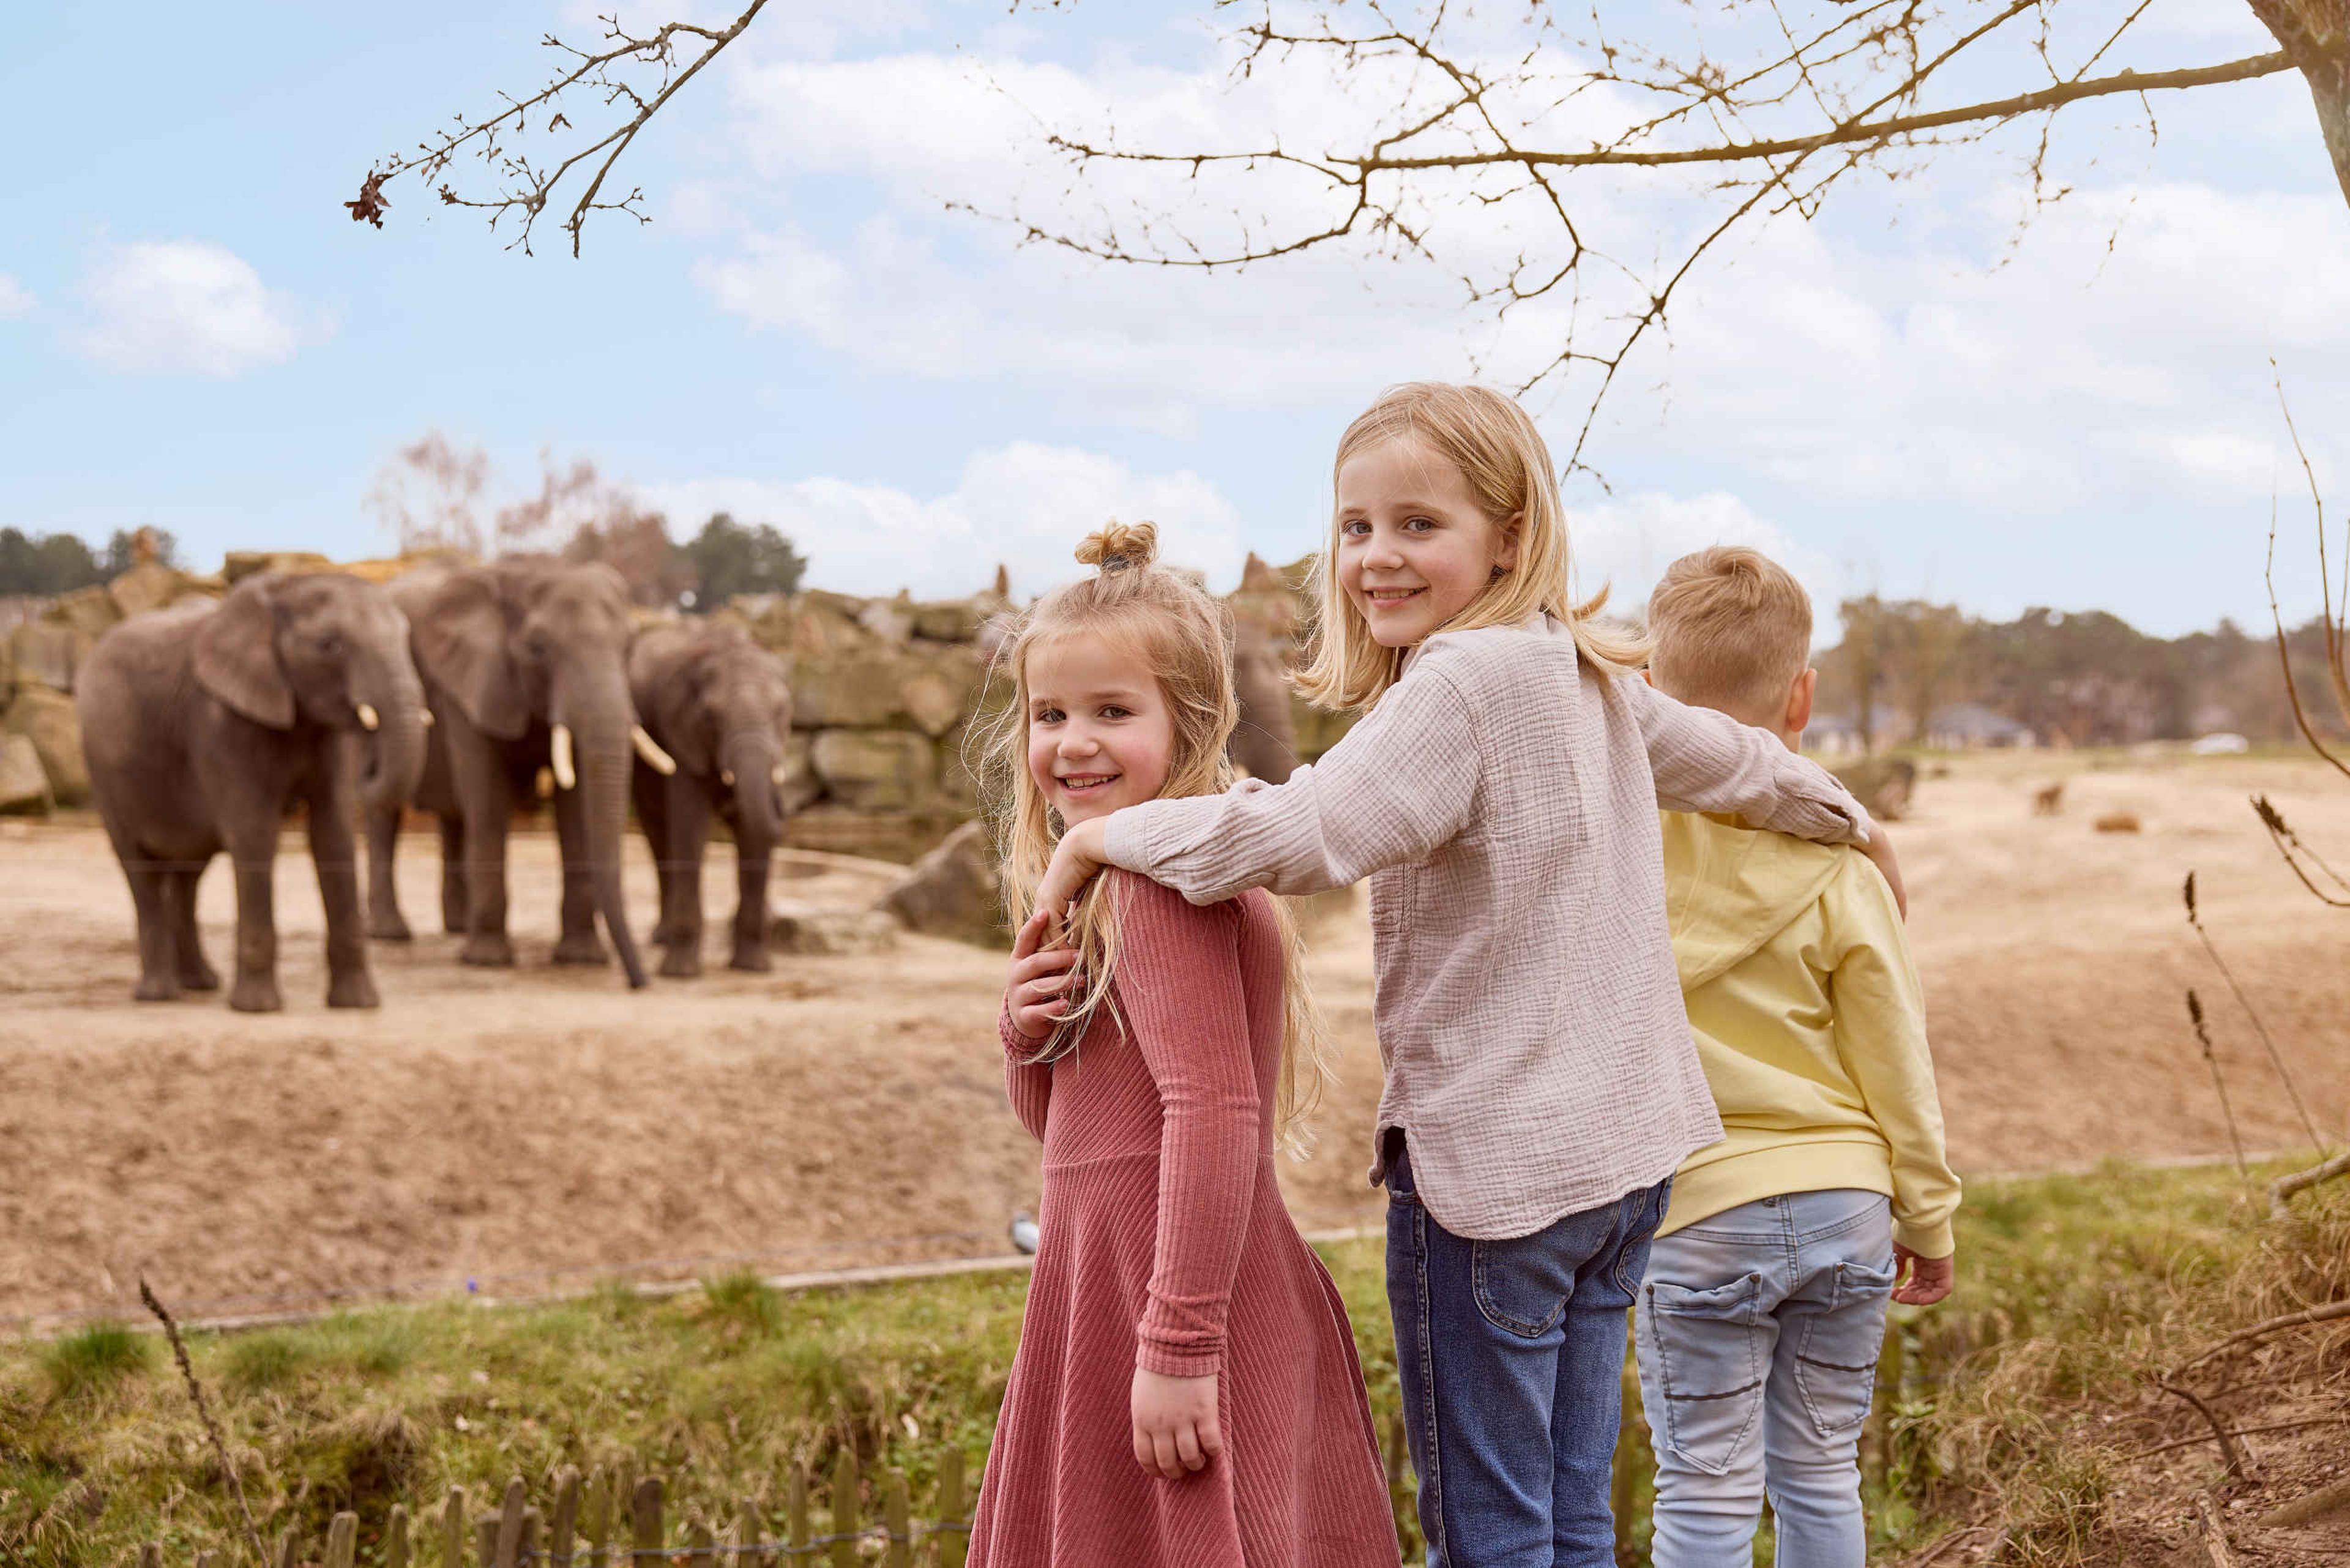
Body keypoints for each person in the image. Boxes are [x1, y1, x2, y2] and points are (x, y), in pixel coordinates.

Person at [1031, 383, 1904, 1567]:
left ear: (1509, 534)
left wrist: (1101, 837)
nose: (1376, 557)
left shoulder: (1458, 687)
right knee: (1571, 1513)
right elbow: (1734, 763)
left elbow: (1303, 839)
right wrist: (1849, 817)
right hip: (1620, 1175)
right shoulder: (1576, 669)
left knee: (1490, 1535)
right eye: (1355, 527)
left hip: (1496, 1188)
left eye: (1416, 526)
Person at [969, 522, 1401, 1568]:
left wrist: (1176, 1345)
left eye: (1114, 712)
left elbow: (1214, 1112)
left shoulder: (1157, 886)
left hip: (1173, 1294)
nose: (1074, 742)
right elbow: (1068, 1134)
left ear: (1192, 720)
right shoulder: (1105, 889)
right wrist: (1027, 1034)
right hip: (1116, 1277)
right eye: (1051, 714)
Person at [1633, 546, 1960, 1568]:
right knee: (1822, 1469)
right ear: (1803, 694)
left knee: (1704, 1485)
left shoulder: (1622, 849)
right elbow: (1896, 1059)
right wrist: (1931, 1215)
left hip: (1696, 1213)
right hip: (1845, 1200)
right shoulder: (1842, 864)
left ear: (1646, 692)